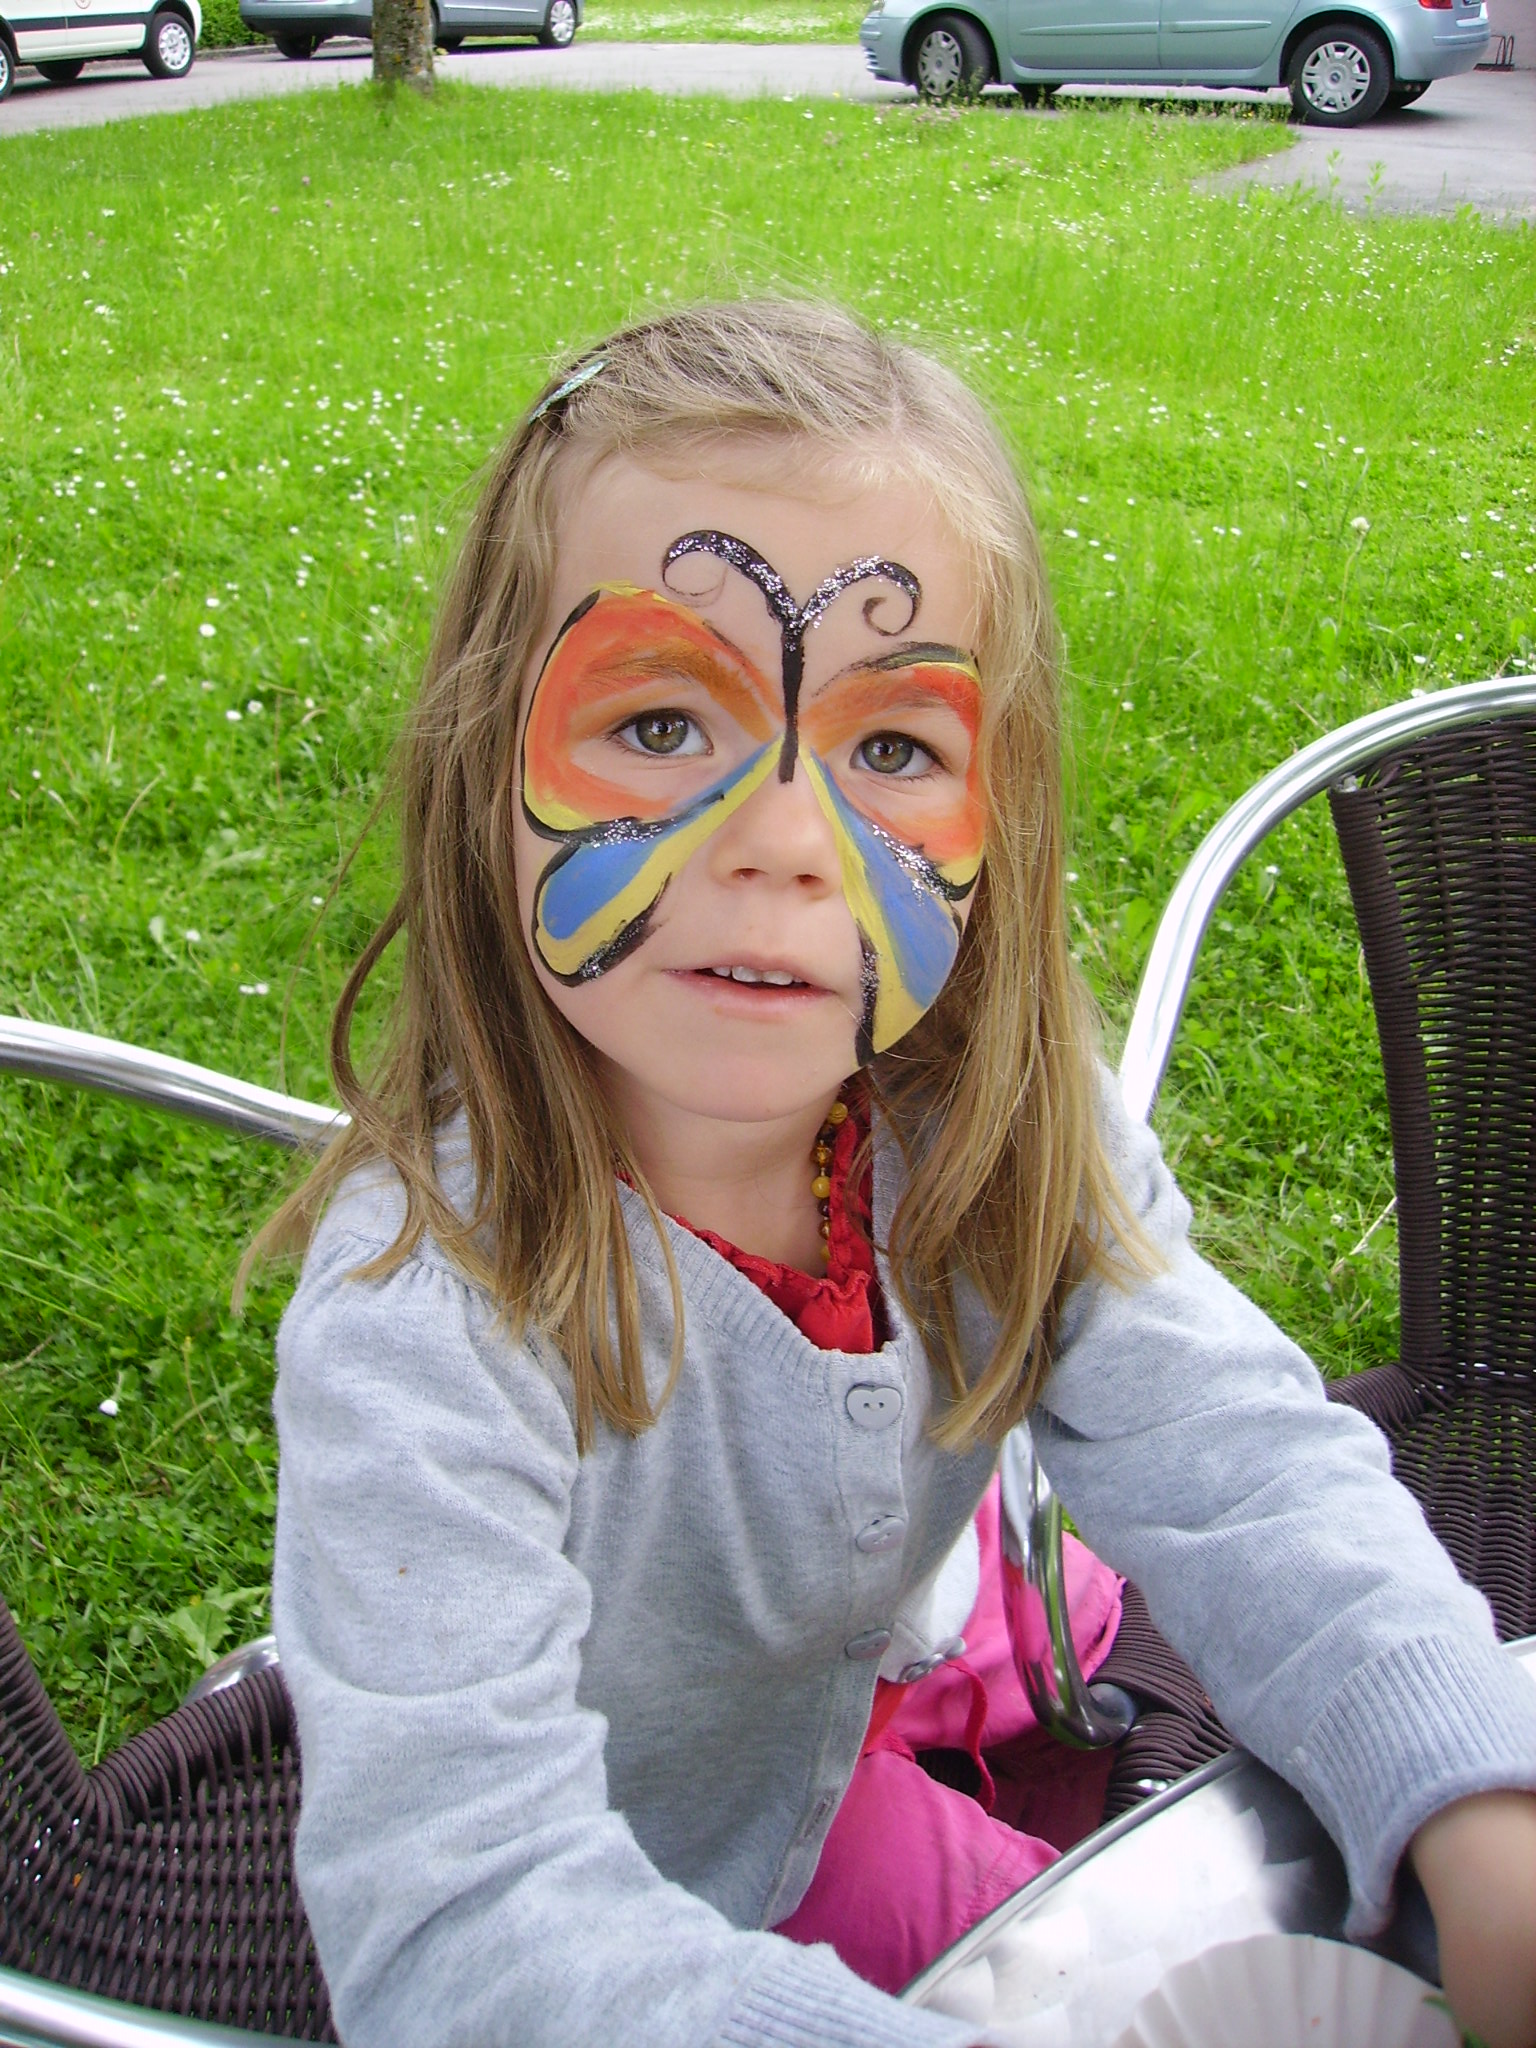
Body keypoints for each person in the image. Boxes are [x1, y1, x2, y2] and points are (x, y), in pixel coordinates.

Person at [256, 300, 1536, 2048]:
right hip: (639, 1916)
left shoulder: (992, 1134)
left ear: (998, 812)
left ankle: (967, 1648)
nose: (787, 841)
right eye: (658, 725)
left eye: (891, 749)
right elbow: (462, 1921)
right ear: (486, 766)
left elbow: (1241, 1467)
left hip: (816, 1760)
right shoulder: (428, 1318)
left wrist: (1481, 1797)